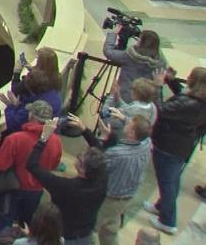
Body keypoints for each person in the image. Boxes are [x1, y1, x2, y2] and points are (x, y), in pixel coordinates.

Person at [59, 112, 150, 245]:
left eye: (129, 124)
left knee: (90, 229)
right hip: (126, 197)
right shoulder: (146, 144)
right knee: (110, 230)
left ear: (132, 133)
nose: (125, 122)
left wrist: (86, 131)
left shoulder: (118, 154)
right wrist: (119, 124)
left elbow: (96, 160)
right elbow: (140, 130)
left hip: (110, 198)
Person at [25, 116, 108, 245]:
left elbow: (32, 165)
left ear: (82, 169)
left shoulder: (64, 187)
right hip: (86, 237)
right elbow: (100, 153)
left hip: (63, 238)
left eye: (80, 158)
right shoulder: (102, 181)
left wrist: (43, 138)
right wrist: (85, 131)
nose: (79, 156)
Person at [145, 67, 206, 235]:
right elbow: (182, 98)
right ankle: (161, 206)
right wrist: (171, 81)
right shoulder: (198, 101)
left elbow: (162, 111)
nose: (187, 77)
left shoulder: (191, 104)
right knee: (171, 180)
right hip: (180, 145)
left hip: (169, 145)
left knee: (167, 182)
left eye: (190, 76)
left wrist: (158, 87)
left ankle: (167, 221)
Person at [0, 100, 62, 233]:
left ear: (32, 116)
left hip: (12, 189)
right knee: (34, 226)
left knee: (5, 224)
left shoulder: (15, 139)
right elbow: (54, 164)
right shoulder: (56, 141)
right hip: (37, 190)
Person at [103, 29, 165, 103]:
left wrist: (113, 34)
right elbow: (162, 79)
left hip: (124, 99)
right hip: (145, 101)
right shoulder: (160, 64)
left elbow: (108, 52)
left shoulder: (129, 56)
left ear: (141, 43)